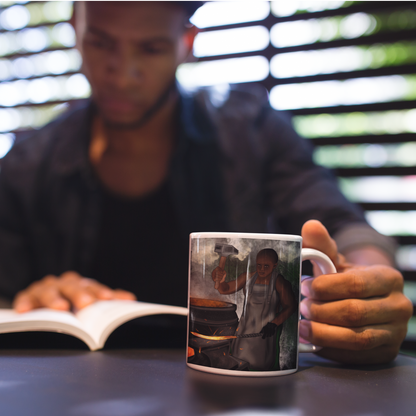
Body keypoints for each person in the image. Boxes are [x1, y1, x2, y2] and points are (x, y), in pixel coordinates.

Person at [0, 0, 412, 364]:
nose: (123, 74)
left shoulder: (251, 130)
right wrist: (36, 304)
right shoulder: (26, 164)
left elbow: (342, 224)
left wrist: (365, 287)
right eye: (101, 43)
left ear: (187, 43)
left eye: (151, 48)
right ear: (75, 29)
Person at [212, 248, 296, 371]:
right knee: (238, 361)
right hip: (244, 330)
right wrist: (221, 280)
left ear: (274, 266)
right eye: (259, 265)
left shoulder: (279, 282)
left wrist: (274, 324)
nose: (261, 269)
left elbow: (291, 306)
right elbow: (224, 289)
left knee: (260, 364)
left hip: (264, 332)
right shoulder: (247, 277)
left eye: (266, 266)